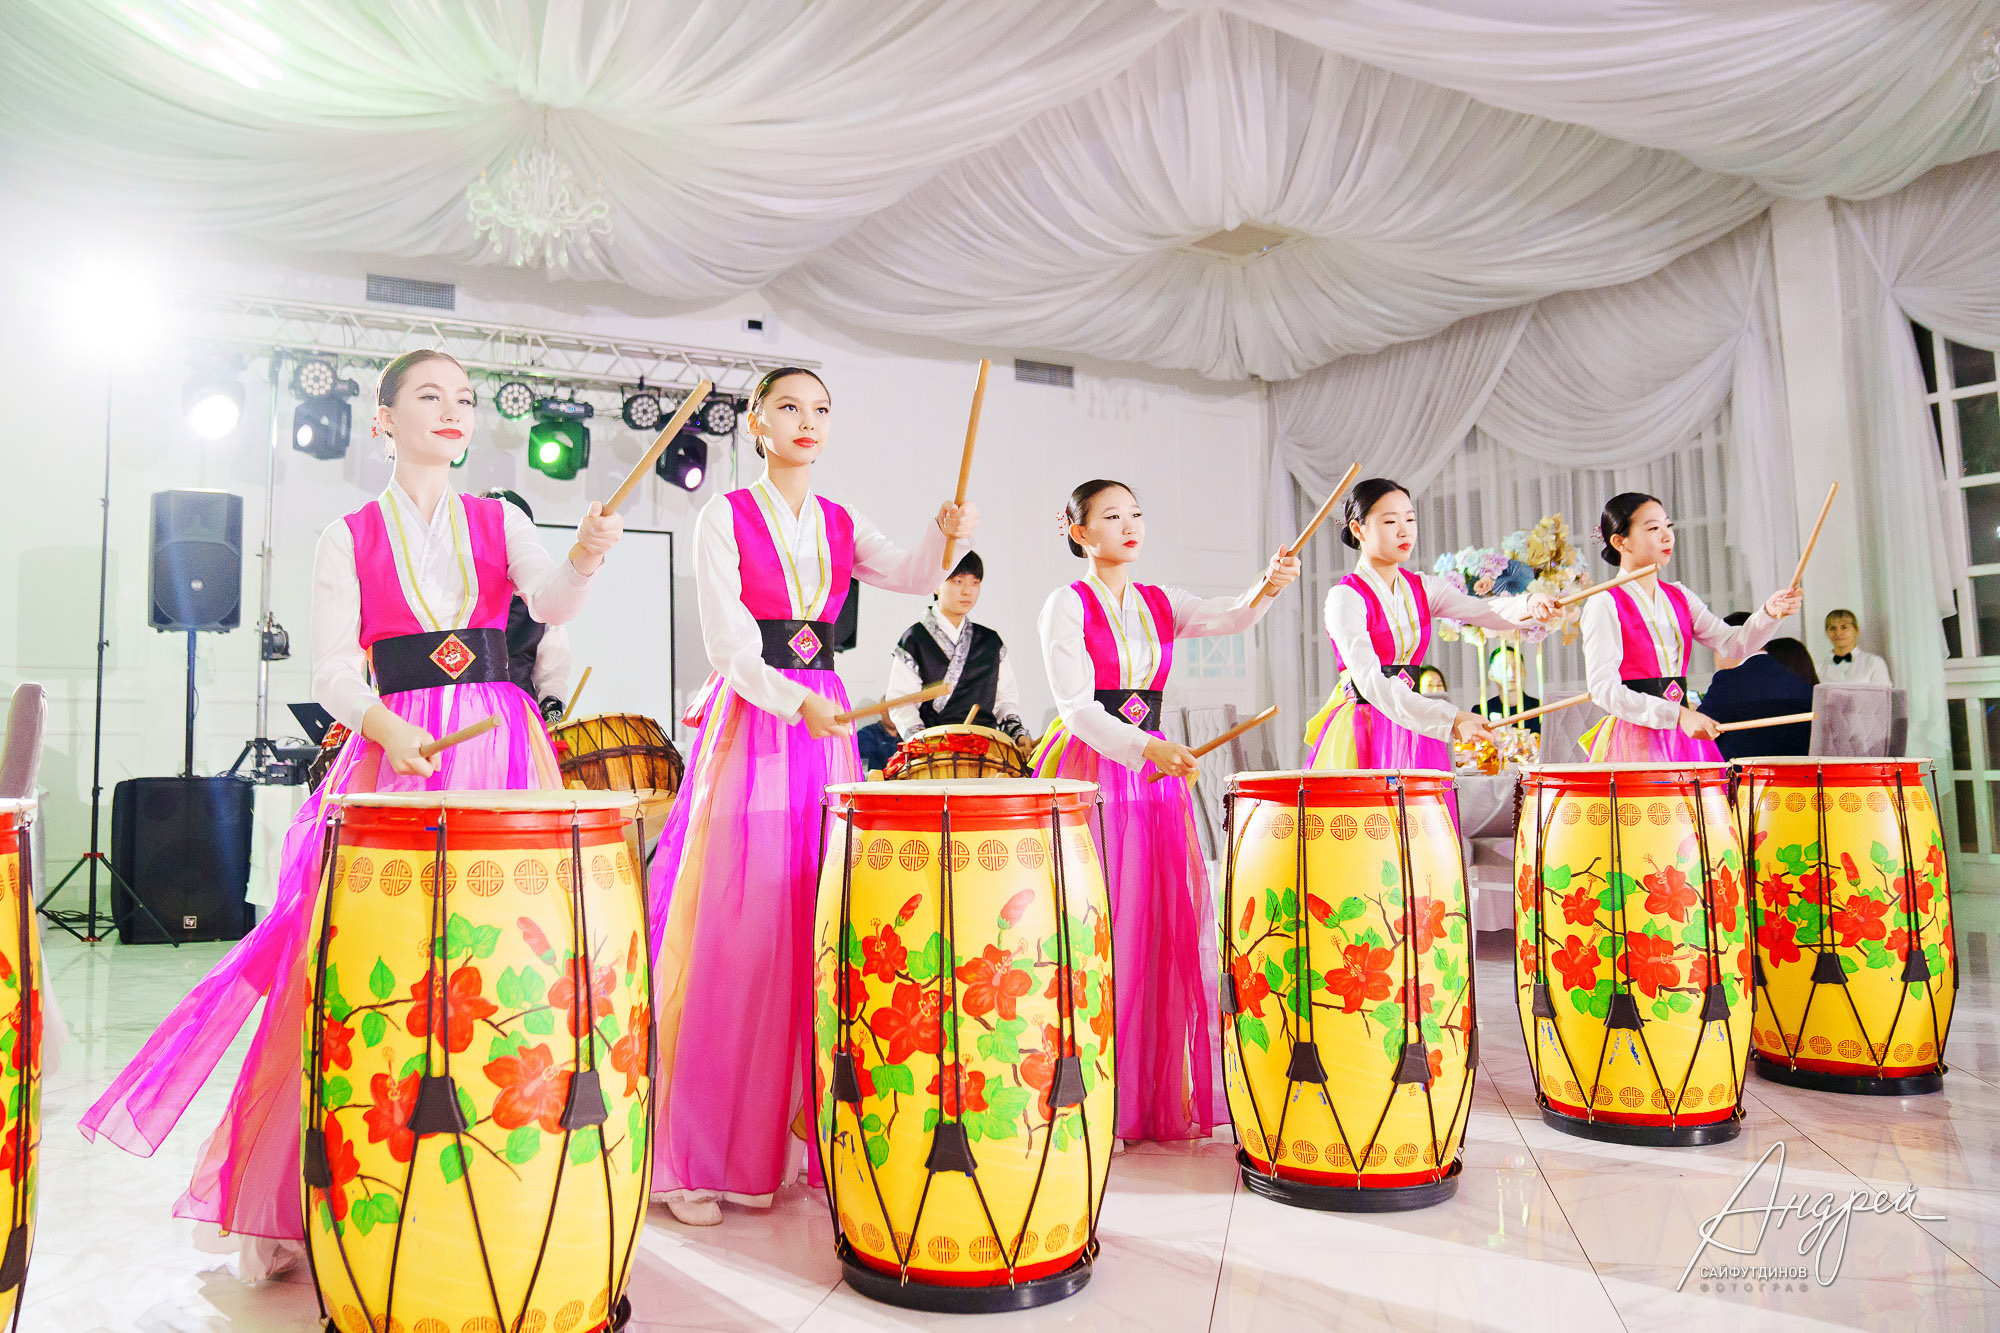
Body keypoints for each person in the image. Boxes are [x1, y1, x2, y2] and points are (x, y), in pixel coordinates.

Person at [78, 349, 623, 1268]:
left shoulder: (498, 520)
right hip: (395, 748)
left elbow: (552, 600)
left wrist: (583, 556)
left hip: (498, 746)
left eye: (464, 399)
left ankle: (496, 1179)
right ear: (382, 418)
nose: (452, 411)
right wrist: (383, 725)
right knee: (370, 962)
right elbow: (332, 668)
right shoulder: (347, 535)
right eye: (428, 396)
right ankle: (316, 1187)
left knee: (503, 958)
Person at [647, 367, 976, 1226]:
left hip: (821, 732)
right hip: (759, 720)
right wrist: (798, 700)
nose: (807, 421)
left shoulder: (837, 519)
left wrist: (943, 539)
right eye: (789, 407)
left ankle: (799, 1139)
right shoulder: (721, 515)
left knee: (821, 924)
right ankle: (699, 1156)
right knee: (738, 927)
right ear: (755, 422)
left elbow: (907, 570)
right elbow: (727, 646)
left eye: (821, 409)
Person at [1033, 479, 1298, 1144]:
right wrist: (1147, 746)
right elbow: (1075, 709)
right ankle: (1091, 1097)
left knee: (1153, 925)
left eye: (1137, 514)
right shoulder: (1064, 605)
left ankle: (1146, 1096)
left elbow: (1230, 616)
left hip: (1154, 778)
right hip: (1094, 767)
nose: (1130, 526)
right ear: (1079, 532)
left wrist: (1267, 585)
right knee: (1096, 930)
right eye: (1112, 516)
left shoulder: (1161, 602)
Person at [1303, 478, 1558, 772]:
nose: (1404, 530)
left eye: (1410, 519)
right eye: (1390, 522)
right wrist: (1452, 718)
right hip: (1368, 724)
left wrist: (1529, 604)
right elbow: (1372, 684)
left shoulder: (1423, 588)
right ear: (1358, 529)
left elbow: (1481, 609)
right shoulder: (1345, 597)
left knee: (1424, 814)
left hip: (1416, 722)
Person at [1579, 492, 1801, 761]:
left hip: (1681, 731)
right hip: (1635, 736)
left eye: (1668, 526)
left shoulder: (1680, 596)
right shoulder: (1604, 603)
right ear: (1620, 541)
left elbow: (1732, 644)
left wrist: (1768, 613)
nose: (1667, 536)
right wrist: (1678, 715)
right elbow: (1604, 690)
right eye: (1653, 528)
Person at [884, 550, 1031, 754]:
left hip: (987, 751)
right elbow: (902, 703)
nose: (967, 591)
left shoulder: (991, 642)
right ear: (935, 585)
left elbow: (1005, 702)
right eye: (957, 581)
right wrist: (923, 743)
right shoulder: (914, 639)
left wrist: (1018, 734)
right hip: (936, 753)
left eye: (975, 582)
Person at [484, 487, 576, 723]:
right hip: (463, 718)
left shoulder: (541, 599)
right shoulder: (459, 593)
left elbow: (551, 676)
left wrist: (552, 713)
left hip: (520, 721)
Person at [1699, 613, 1815, 759]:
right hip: (1801, 776)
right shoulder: (1797, 681)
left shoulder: (1730, 680)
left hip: (1746, 779)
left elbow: (1698, 733)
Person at [1479, 642, 1542, 733]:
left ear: (1524, 672)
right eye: (1503, 668)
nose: (1511, 674)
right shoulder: (1481, 712)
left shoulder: (1540, 709)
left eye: (1516, 667)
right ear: (1491, 675)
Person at [1821, 608, 1891, 685]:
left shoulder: (1874, 663)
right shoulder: (1818, 668)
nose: (1838, 633)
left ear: (1856, 630)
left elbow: (1882, 695)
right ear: (1826, 633)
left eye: (1844, 627)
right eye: (1832, 628)